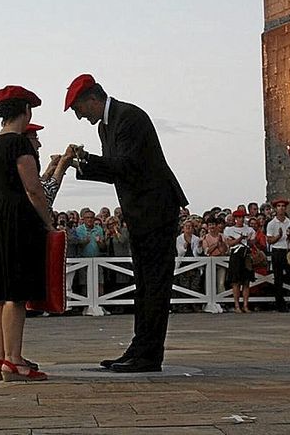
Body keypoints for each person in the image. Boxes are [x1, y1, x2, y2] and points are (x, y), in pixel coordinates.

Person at [65, 73, 187, 373]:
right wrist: (83, 163)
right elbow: (115, 171)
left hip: (155, 211)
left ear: (93, 99)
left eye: (79, 108)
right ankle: (140, 347)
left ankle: (149, 355)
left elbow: (127, 165)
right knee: (144, 284)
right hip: (141, 213)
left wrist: (85, 160)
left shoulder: (129, 117)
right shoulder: (108, 125)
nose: (80, 116)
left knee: (155, 284)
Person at [0, 85, 53, 382]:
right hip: (17, 219)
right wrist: (48, 222)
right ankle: (14, 360)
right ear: (27, 110)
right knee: (16, 295)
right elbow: (33, 189)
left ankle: (1, 358)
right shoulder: (19, 144)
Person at [266, 199, 290, 312]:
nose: (281, 208)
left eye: (283, 206)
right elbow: (269, 240)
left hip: (288, 250)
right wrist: (278, 236)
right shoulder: (271, 224)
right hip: (277, 251)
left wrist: (289, 235)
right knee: (278, 278)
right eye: (279, 206)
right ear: (275, 209)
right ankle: (280, 304)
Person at [223, 210, 255, 313]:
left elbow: (253, 242)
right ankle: (237, 305)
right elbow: (230, 243)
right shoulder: (229, 229)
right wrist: (240, 239)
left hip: (246, 255)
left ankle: (245, 305)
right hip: (236, 255)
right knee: (235, 282)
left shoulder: (250, 229)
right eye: (239, 217)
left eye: (242, 217)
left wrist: (247, 240)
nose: (240, 219)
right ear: (235, 218)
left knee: (246, 282)